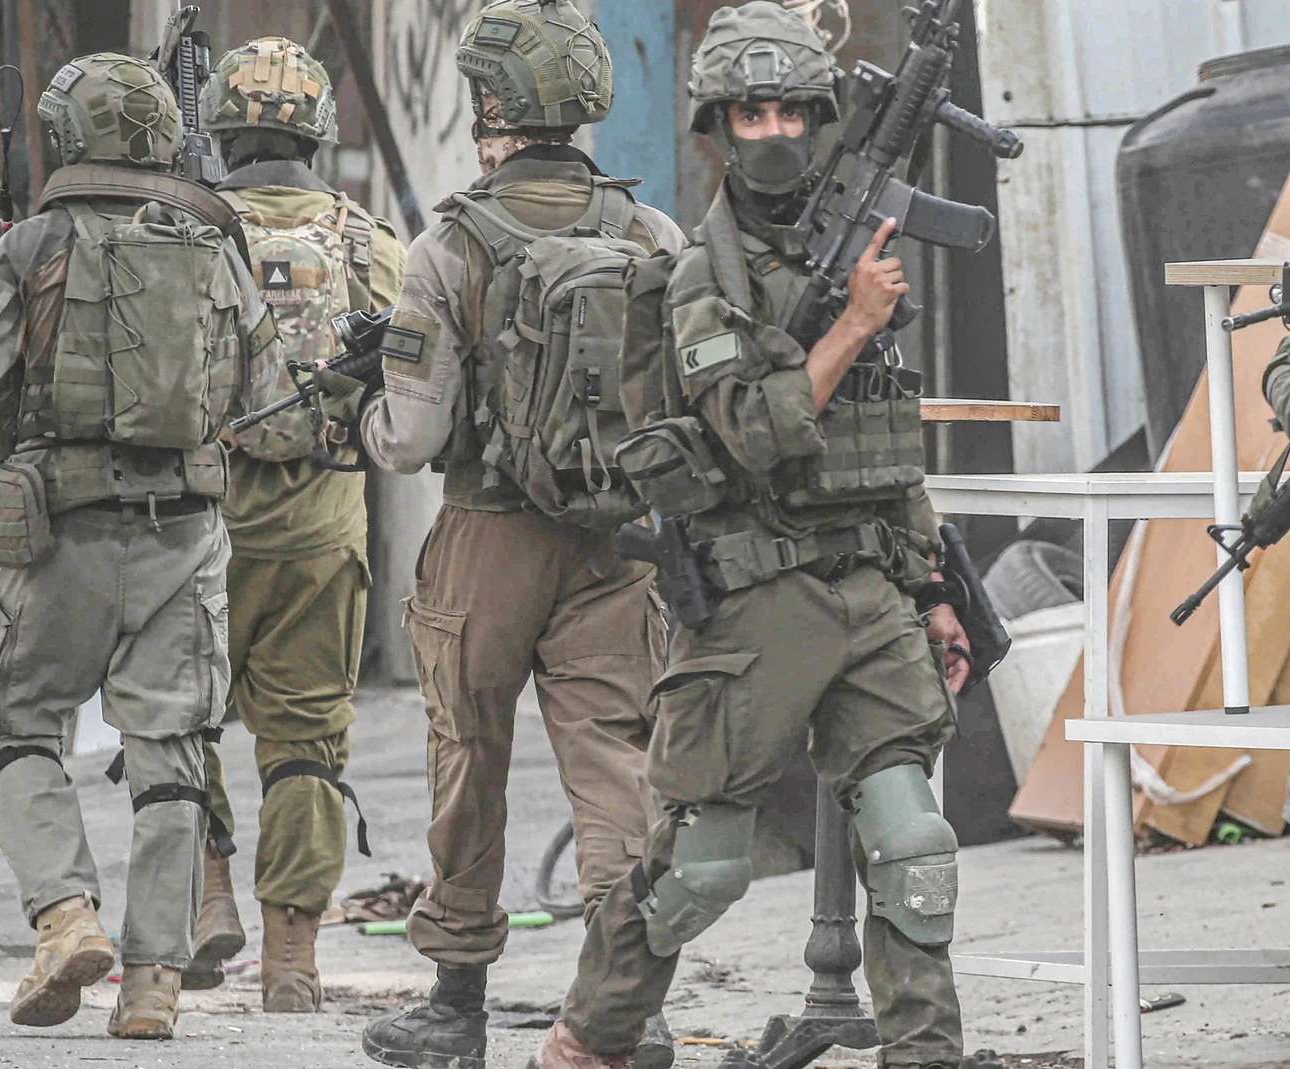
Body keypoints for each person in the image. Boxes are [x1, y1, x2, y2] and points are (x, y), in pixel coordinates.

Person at [533, 5, 973, 1067]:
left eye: (790, 111)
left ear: (819, 122)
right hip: (754, 603)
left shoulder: (850, 245)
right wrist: (854, 320)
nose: (772, 131)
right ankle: (589, 1038)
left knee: (913, 845)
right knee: (700, 871)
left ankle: (926, 1053)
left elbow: (885, 441)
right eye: (749, 113)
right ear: (716, 132)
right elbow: (749, 435)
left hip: (867, 588)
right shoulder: (700, 278)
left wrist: (931, 584)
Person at [0, 51, 280, 1041]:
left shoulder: (33, 245)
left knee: (19, 726)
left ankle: (64, 918)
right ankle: (151, 979)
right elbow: (270, 408)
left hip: (50, 533)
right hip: (185, 535)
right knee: (173, 755)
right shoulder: (216, 245)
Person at [328, 3, 687, 1066]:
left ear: (491, 107)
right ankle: (632, 1006)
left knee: (465, 760)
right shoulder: (648, 233)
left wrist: (362, 404)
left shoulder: (446, 247)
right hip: (616, 543)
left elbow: (410, 438)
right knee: (617, 764)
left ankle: (454, 1010)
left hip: (485, 534)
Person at [179, 35, 407, 1011]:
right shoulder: (366, 241)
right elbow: (421, 369)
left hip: (195, 518)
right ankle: (291, 960)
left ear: (220, 131)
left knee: (175, 717)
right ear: (317, 131)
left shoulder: (183, 231)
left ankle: (207, 894)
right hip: (322, 523)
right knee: (307, 740)